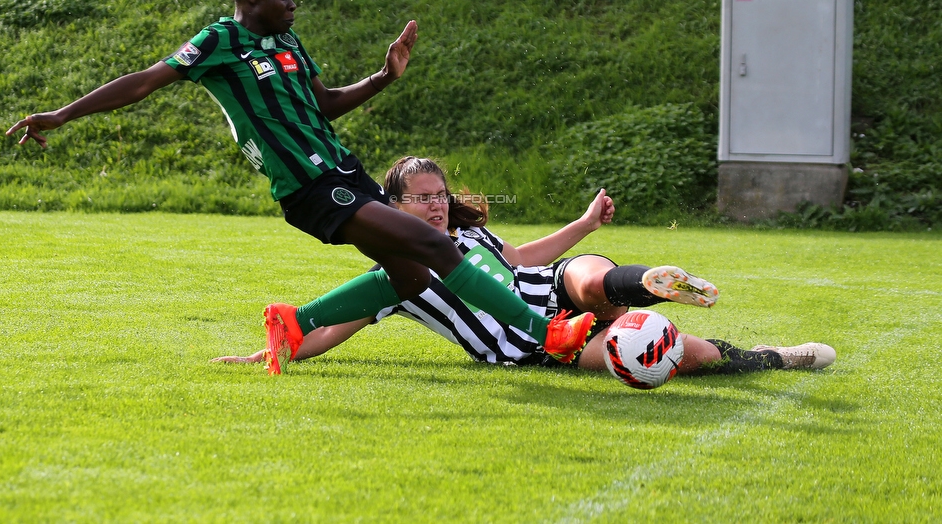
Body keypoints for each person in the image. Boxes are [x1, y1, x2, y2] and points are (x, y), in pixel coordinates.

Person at [5, 0, 597, 374]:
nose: (293, 5)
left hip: (345, 172)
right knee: (436, 247)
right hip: (310, 188)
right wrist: (60, 114)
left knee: (409, 278)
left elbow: (325, 105)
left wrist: (384, 77)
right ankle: (547, 333)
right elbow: (143, 81)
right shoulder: (219, 41)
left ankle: (294, 323)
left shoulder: (287, 42)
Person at [213, 156, 837, 375]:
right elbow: (328, 327)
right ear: (393, 206)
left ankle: (643, 284)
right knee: (676, 356)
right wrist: (270, 352)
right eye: (418, 198)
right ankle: (774, 356)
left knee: (587, 271)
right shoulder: (400, 273)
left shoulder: (467, 230)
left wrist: (585, 225)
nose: (432, 206)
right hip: (526, 343)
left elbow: (520, 259)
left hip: (547, 288)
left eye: (438, 194)